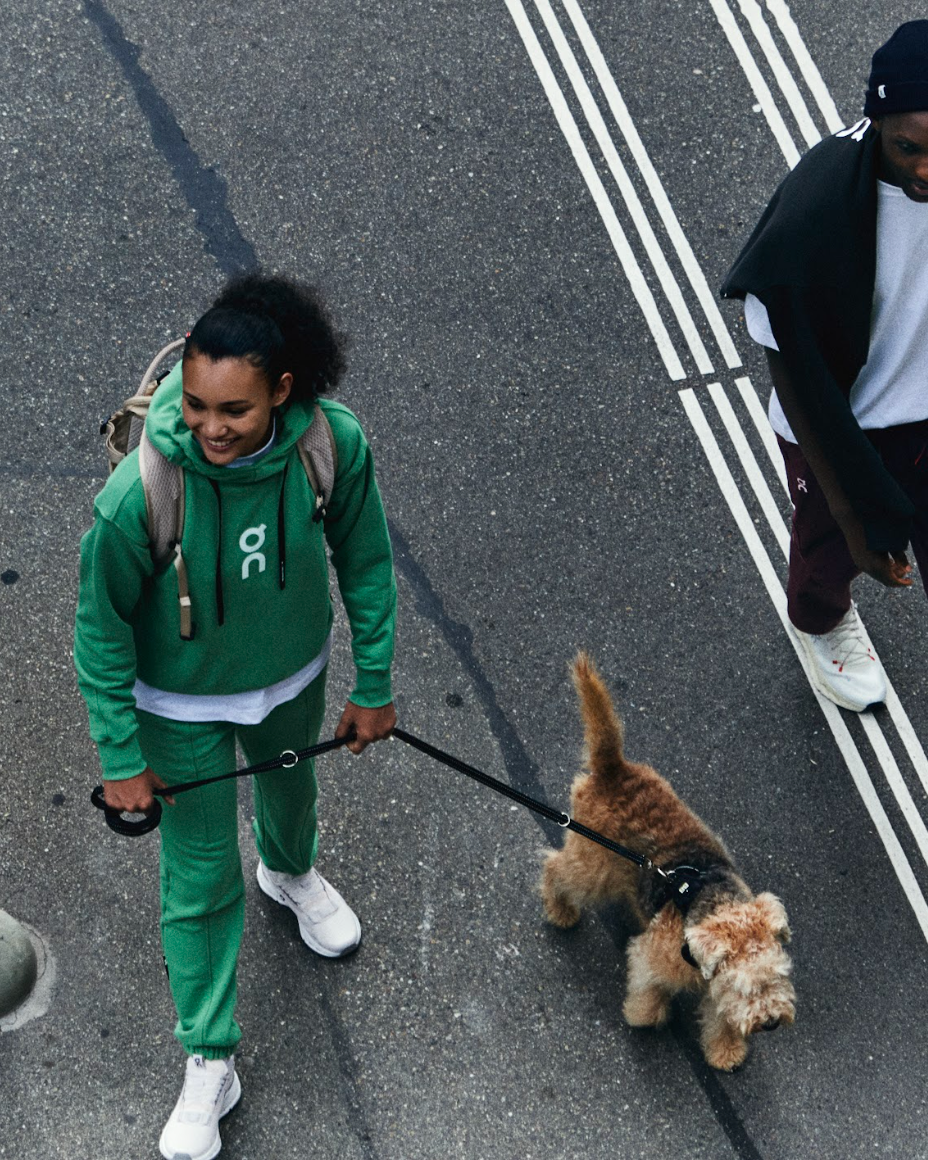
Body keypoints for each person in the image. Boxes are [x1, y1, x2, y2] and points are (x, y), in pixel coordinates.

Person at [74, 273, 397, 1160]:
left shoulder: (331, 444)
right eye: (196, 404)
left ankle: (289, 875)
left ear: (283, 391)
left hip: (292, 680)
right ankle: (211, 1059)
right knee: (199, 879)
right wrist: (120, 756)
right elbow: (99, 634)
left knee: (293, 802)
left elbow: (366, 561)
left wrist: (374, 683)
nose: (210, 428)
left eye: (235, 410)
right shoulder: (137, 496)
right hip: (177, 710)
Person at [721, 20, 928, 712]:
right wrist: (847, 506)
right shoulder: (819, 205)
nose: (927, 169)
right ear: (878, 125)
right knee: (829, 548)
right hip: (847, 419)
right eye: (908, 148)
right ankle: (821, 620)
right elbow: (791, 364)